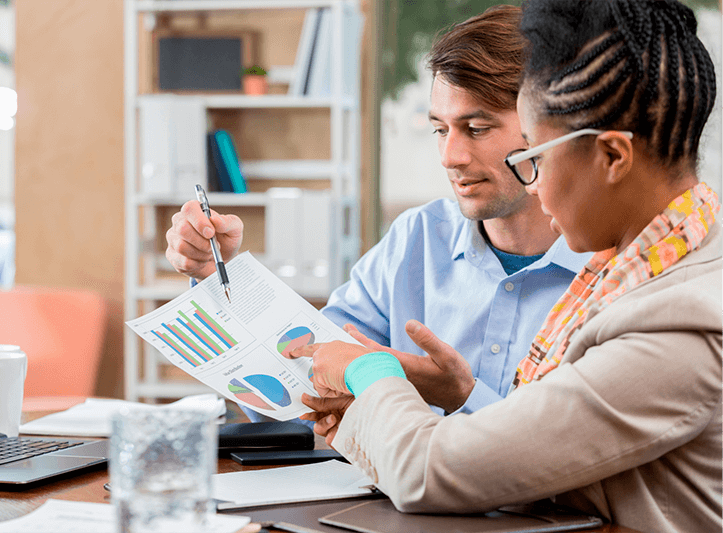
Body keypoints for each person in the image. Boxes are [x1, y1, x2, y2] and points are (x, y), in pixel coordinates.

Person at [288, 0, 722, 531]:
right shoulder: (637, 267)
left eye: (534, 155)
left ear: (612, 157)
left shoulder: (680, 323)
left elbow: (429, 469)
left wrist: (366, 368)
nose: (533, 185)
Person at [166, 6, 589, 419]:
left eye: (477, 129)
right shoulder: (417, 239)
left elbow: (578, 459)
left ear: (547, 128)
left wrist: (461, 396)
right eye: (441, 130)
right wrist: (218, 277)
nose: (450, 156)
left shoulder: (614, 272)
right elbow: (299, 385)